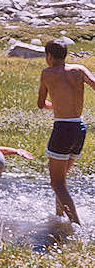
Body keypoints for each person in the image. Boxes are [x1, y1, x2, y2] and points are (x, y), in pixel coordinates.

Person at [37, 39, 95, 224]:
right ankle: (59, 217)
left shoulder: (47, 73)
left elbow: (40, 104)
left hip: (62, 129)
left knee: (57, 183)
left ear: (49, 56)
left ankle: (76, 226)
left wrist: (58, 106)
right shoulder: (79, 70)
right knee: (61, 180)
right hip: (79, 128)